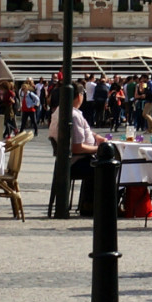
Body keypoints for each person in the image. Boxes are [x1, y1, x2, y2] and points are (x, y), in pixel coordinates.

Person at [59, 89, 99, 217]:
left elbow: (82, 132)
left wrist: (95, 137)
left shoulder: (64, 111)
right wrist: (99, 148)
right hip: (76, 161)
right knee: (109, 167)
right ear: (78, 96)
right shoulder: (74, 116)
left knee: (100, 164)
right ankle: (98, 204)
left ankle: (89, 203)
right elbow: (77, 147)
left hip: (71, 160)